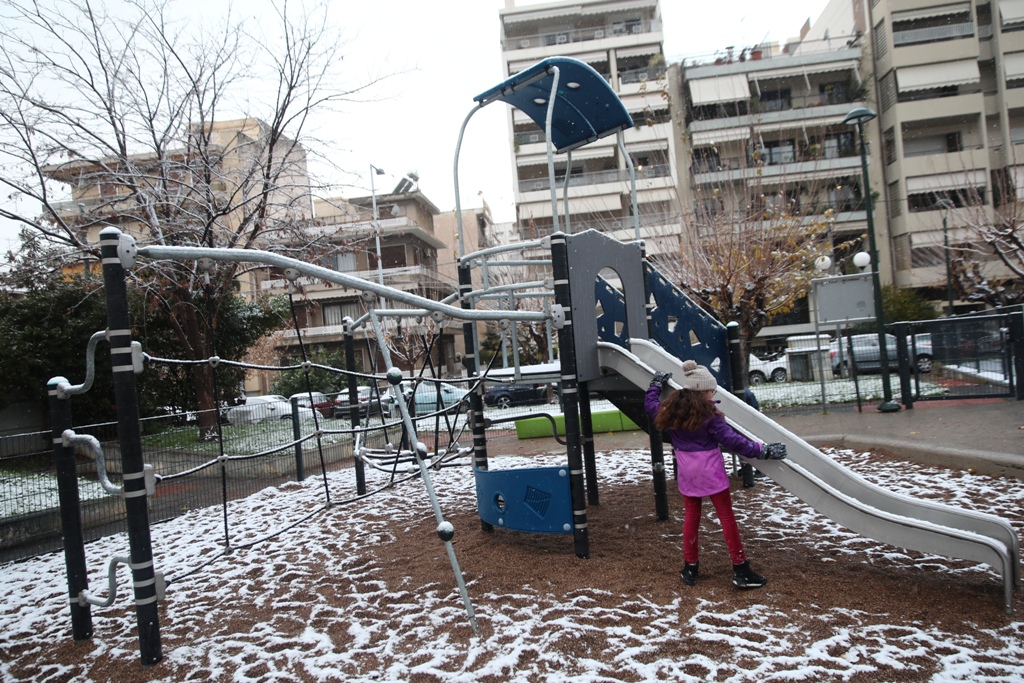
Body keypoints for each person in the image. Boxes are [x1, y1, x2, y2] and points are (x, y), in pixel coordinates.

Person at [646, 361, 787, 589]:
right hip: (711, 473)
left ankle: (690, 567)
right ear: (702, 391)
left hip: (688, 473)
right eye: (711, 390)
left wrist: (655, 385)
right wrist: (763, 450)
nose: (713, 393)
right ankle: (740, 568)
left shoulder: (671, 412)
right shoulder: (710, 416)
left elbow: (651, 405)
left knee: (692, 517)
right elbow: (735, 442)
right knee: (727, 518)